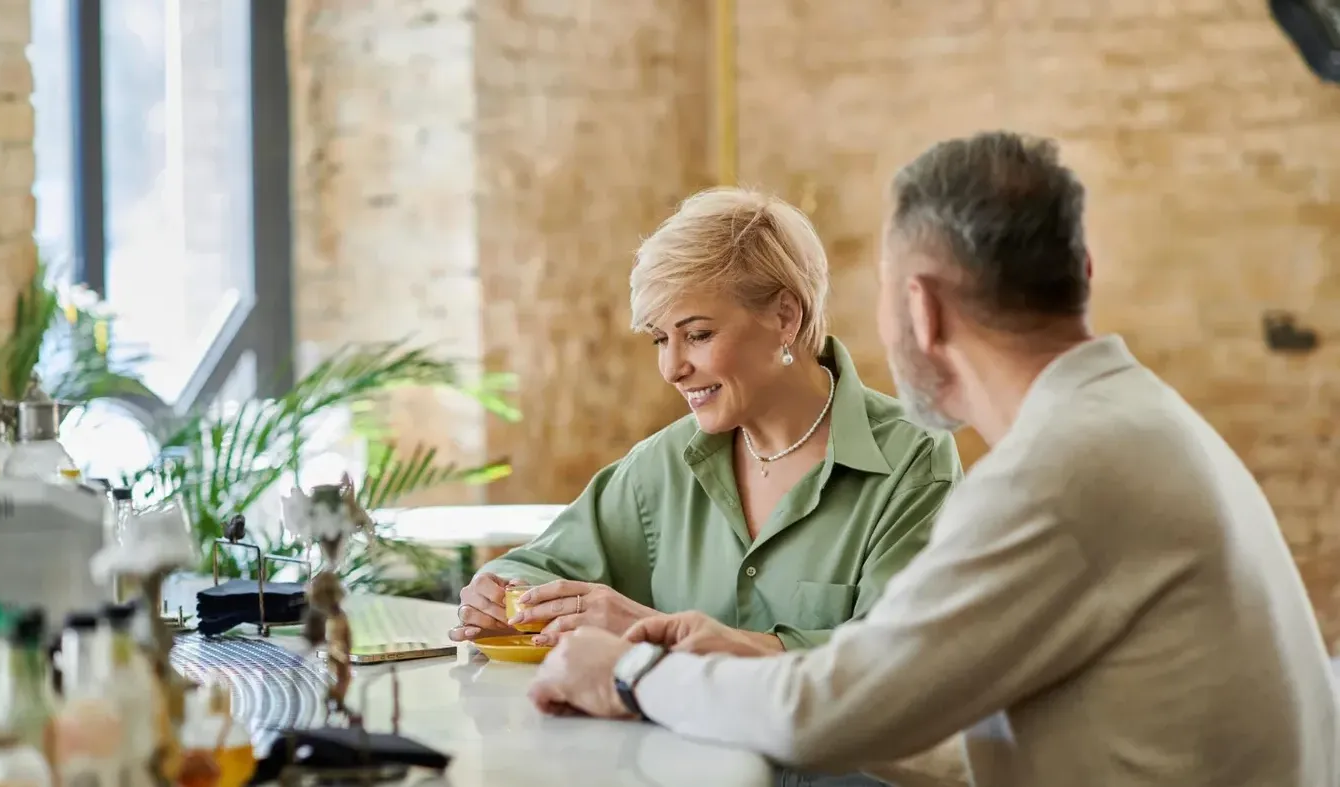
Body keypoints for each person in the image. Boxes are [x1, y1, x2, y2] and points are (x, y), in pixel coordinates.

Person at [526, 131, 1340, 787]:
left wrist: (631, 673)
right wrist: (734, 647)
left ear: (920, 306)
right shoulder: (1137, 419)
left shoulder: (1059, 472)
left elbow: (831, 713)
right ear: (1079, 273)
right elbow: (929, 704)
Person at [449, 187, 962, 652]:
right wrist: (498, 595)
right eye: (658, 339)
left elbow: (897, 661)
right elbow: (535, 567)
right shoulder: (663, 465)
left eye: (697, 335)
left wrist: (663, 636)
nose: (672, 368)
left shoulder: (912, 459)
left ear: (786, 317)